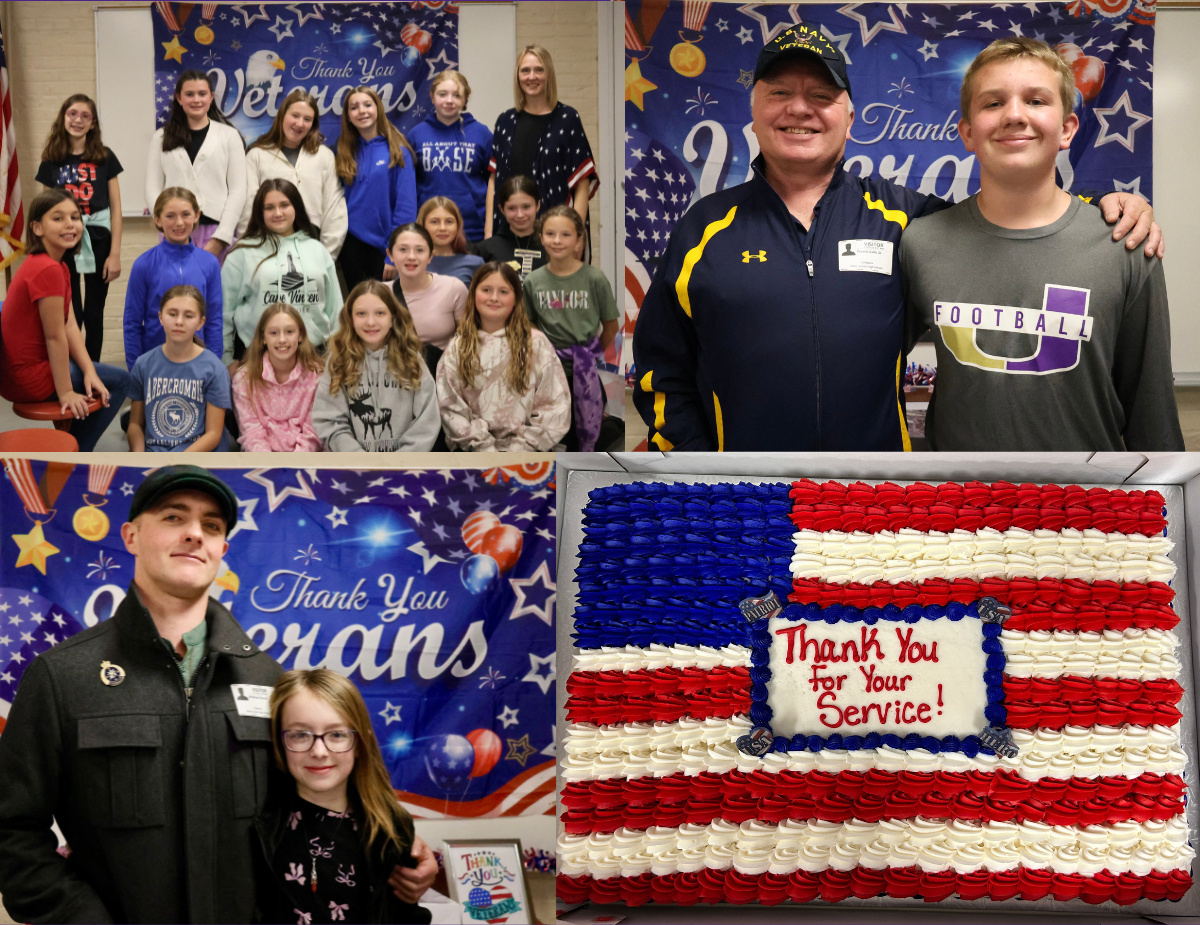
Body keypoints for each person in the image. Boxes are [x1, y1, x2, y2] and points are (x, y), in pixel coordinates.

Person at [631, 24, 1161, 452]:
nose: (799, 109)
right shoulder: (704, 228)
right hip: (740, 504)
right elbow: (662, 367)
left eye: (820, 95)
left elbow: (1009, 221)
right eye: (780, 93)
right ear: (754, 110)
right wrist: (698, 467)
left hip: (879, 504)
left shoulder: (906, 219)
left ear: (850, 117)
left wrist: (1099, 206)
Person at [0, 466, 438, 924]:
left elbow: (323, 789)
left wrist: (402, 843)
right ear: (130, 536)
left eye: (211, 526)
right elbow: (11, 832)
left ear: (222, 550)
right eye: (173, 517)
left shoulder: (269, 680)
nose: (194, 533)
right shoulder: (62, 677)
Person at [900, 38, 1184, 451]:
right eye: (993, 103)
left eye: (1035, 100)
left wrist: (1171, 506)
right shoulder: (921, 242)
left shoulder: (1125, 242)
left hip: (1091, 504)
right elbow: (872, 369)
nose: (1014, 115)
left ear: (1067, 129)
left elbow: (1151, 409)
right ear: (967, 133)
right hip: (959, 505)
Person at [255, 670, 433, 925]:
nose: (319, 751)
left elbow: (404, 914)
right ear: (279, 742)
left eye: (337, 735)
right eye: (300, 735)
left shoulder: (389, 827)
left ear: (360, 743)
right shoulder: (260, 823)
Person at [0, 190, 129, 452]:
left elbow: (70, 325)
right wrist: (66, 392)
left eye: (75, 217)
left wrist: (90, 370)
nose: (70, 224)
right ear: (37, 227)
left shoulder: (56, 265)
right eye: (58, 218)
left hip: (28, 371)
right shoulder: (46, 269)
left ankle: (70, 448)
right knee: (121, 381)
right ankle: (77, 453)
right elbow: (55, 337)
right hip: (27, 377)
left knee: (101, 376)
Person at [438, 261, 569, 451]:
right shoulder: (458, 347)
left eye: (503, 292)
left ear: (516, 299)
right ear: (474, 294)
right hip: (474, 453)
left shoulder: (536, 344)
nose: (494, 298)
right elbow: (451, 409)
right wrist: (485, 449)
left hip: (529, 454)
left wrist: (520, 451)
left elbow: (554, 407)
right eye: (486, 290)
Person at [523, 205, 618, 452]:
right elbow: (528, 321)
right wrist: (544, 346)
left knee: (583, 439)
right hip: (547, 376)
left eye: (566, 234)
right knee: (548, 438)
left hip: (584, 374)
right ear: (541, 237)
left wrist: (588, 355)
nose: (557, 240)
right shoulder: (533, 281)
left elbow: (610, 326)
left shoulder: (594, 278)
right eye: (550, 234)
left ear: (578, 239)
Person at [36, 93, 123, 361]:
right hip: (65, 242)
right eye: (73, 113)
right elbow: (46, 209)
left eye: (86, 116)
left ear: (93, 123)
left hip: (99, 238)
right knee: (70, 310)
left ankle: (93, 369)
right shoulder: (51, 160)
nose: (78, 120)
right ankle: (73, 368)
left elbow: (116, 209)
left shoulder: (105, 157)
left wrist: (115, 253)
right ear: (63, 117)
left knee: (94, 314)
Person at [222, 178, 342, 365]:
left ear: (296, 207)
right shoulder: (242, 253)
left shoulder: (317, 249)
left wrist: (336, 357)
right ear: (259, 213)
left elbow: (335, 311)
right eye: (269, 207)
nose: (277, 213)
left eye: (284, 205)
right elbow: (224, 312)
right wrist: (227, 359)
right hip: (258, 357)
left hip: (314, 356)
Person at [313, 280, 440, 452]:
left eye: (380, 313)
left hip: (406, 466)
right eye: (361, 314)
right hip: (354, 467)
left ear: (392, 317)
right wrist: (359, 459)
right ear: (350, 318)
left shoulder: (411, 360)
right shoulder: (339, 361)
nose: (370, 322)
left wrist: (401, 460)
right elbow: (329, 420)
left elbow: (427, 419)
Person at [487, 45, 597, 242]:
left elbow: (582, 183)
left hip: (556, 235)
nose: (532, 77)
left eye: (539, 70)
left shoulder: (567, 118)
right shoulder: (505, 121)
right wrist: (489, 236)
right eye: (525, 70)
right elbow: (494, 182)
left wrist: (577, 236)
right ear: (517, 76)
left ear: (549, 75)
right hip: (507, 232)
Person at [145, 70, 247, 259]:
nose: (196, 100)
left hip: (216, 233)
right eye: (189, 94)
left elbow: (239, 190)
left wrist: (221, 238)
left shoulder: (229, 136)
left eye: (202, 94)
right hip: (174, 232)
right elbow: (152, 189)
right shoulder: (161, 137)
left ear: (211, 97)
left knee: (216, 288)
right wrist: (163, 223)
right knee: (176, 288)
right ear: (179, 98)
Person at [239, 88, 348, 258]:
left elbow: (334, 209)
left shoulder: (324, 156)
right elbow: (248, 208)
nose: (300, 124)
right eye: (295, 116)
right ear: (282, 115)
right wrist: (251, 251)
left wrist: (326, 256)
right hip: (267, 246)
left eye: (307, 119)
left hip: (312, 245)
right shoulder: (257, 155)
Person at [124, 187, 223, 368]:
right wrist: (135, 371)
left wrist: (214, 366)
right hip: (155, 365)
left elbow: (214, 320)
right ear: (157, 219)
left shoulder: (209, 263)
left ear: (196, 216)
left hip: (198, 366)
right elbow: (132, 323)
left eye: (186, 214)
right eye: (170, 216)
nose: (179, 223)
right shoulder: (144, 265)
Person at [127, 285, 231, 452]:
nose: (179, 322)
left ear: (200, 323)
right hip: (153, 455)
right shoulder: (143, 364)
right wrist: (140, 457)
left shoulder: (214, 369)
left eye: (189, 316)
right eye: (172, 314)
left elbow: (213, 434)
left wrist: (177, 462)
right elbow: (134, 424)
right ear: (160, 317)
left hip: (193, 459)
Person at [335, 86, 418, 289]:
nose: (362, 111)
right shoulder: (342, 151)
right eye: (354, 107)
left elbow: (406, 208)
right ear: (348, 116)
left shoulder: (398, 151)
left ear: (378, 108)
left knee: (386, 309)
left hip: (384, 247)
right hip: (350, 244)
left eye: (367, 105)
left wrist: (394, 252)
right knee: (358, 306)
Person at [407, 70, 492, 243]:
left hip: (473, 231)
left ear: (465, 99)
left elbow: (492, 181)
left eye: (456, 95)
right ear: (432, 97)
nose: (449, 101)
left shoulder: (481, 133)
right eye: (442, 94)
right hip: (428, 230)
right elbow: (409, 185)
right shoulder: (416, 135)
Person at [231, 303, 324, 453]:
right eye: (273, 333)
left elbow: (312, 432)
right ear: (263, 338)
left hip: (305, 460)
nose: (282, 339)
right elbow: (251, 433)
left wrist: (293, 465)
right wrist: (271, 468)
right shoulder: (243, 379)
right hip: (261, 460)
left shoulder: (317, 376)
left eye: (289, 332)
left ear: (300, 335)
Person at [387, 222, 467, 375]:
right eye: (403, 249)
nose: (411, 257)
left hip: (441, 378)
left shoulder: (453, 288)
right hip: (393, 378)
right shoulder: (379, 293)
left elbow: (467, 340)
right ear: (390, 254)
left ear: (430, 256)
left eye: (420, 250)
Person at [474, 175, 546, 280]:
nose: (520, 215)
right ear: (502, 209)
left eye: (526, 207)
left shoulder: (551, 246)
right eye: (512, 208)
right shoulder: (486, 249)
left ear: (538, 205)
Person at [419, 196, 484, 287]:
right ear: (423, 225)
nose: (442, 228)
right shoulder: (412, 262)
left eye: (449, 222)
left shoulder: (475, 263)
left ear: (458, 226)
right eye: (434, 222)